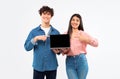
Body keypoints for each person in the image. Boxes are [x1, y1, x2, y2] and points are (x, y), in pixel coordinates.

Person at [24, 6, 60, 79]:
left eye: (48, 14)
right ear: (40, 15)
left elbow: (59, 51)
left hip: (52, 66)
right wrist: (36, 38)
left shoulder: (56, 32)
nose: (46, 16)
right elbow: (27, 47)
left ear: (51, 16)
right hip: (38, 66)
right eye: (44, 13)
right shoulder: (34, 32)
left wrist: (58, 51)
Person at [61, 13, 99, 79]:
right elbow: (63, 51)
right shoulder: (65, 34)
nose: (75, 22)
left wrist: (86, 39)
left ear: (80, 23)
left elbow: (96, 44)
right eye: (73, 20)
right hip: (70, 62)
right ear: (70, 21)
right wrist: (63, 51)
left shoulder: (82, 33)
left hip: (81, 61)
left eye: (77, 20)